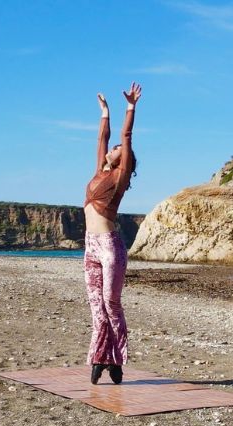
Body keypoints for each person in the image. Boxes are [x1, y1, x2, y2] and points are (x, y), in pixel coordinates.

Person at [83, 82, 142, 385]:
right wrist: (104, 113)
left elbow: (125, 137)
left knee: (111, 303)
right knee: (96, 307)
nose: (112, 150)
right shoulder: (99, 172)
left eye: (117, 151)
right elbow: (102, 139)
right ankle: (99, 357)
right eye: (113, 150)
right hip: (90, 247)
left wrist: (131, 107)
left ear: (124, 161)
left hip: (110, 246)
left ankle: (116, 360)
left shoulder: (118, 179)